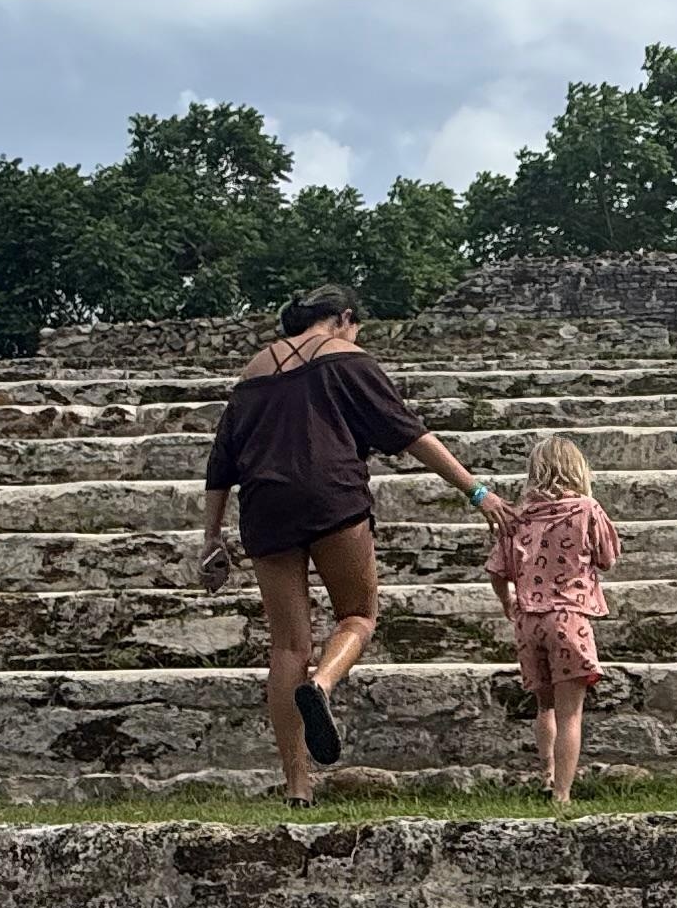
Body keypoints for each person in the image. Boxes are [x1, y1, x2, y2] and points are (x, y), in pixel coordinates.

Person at [199, 285, 502, 801]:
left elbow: (219, 464)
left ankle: (297, 786)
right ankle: (322, 685)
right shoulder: (347, 358)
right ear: (344, 318)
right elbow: (409, 433)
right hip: (331, 496)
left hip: (265, 505)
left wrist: (211, 539)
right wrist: (475, 490)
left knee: (286, 645)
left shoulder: (252, 371)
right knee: (358, 615)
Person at [487, 433, 620, 807]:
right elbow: (608, 557)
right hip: (569, 617)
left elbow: (497, 570)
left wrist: (507, 599)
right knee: (570, 714)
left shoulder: (517, 516)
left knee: (544, 706)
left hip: (529, 621)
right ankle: (562, 793)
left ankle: (546, 774)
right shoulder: (586, 509)